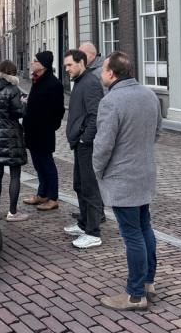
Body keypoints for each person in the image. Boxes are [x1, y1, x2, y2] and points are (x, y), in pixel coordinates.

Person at [93, 52, 162, 311]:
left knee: (132, 234)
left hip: (122, 177)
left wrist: (97, 170)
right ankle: (148, 282)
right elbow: (157, 130)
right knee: (145, 227)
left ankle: (135, 295)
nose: (101, 73)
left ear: (112, 73)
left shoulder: (111, 101)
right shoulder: (149, 95)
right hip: (144, 173)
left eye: (103, 69)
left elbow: (103, 145)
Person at [63, 49, 104, 249]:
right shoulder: (80, 82)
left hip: (86, 145)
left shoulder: (90, 83)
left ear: (81, 62)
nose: (67, 69)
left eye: (70, 65)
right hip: (80, 145)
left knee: (90, 187)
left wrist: (84, 139)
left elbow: (95, 115)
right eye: (65, 66)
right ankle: (84, 223)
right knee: (79, 185)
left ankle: (93, 232)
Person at [0, 60, 28, 222]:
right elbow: (18, 113)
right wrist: (24, 104)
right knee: (15, 174)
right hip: (11, 137)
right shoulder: (13, 90)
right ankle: (12, 212)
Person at [22, 51, 65, 211]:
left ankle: (53, 197)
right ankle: (42, 194)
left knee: (47, 164)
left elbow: (58, 111)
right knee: (38, 164)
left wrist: (50, 126)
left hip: (44, 132)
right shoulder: (36, 81)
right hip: (32, 131)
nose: (32, 63)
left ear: (43, 64)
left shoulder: (54, 84)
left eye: (35, 60)